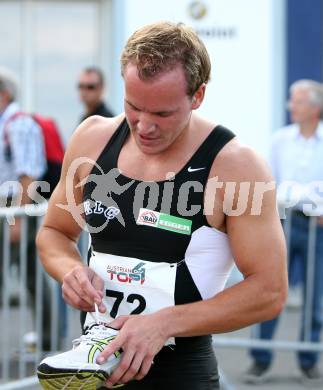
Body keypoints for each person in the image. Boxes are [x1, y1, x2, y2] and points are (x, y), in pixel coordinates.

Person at [36, 22, 287, 389]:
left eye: (163, 114)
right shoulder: (92, 137)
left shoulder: (236, 165)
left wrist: (164, 323)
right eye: (133, 107)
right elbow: (55, 233)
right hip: (94, 370)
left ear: (197, 96)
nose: (144, 126)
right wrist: (69, 269)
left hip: (179, 375)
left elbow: (269, 290)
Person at [246, 79, 323, 384]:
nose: (292, 106)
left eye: (299, 101)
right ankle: (260, 360)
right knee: (270, 291)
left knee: (316, 298)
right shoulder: (280, 140)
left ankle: (308, 361)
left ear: (315, 107)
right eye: (292, 100)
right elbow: (270, 181)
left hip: (318, 226)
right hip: (286, 224)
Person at [0, 67, 51, 349]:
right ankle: (45, 337)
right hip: (9, 208)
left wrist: (17, 218)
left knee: (31, 273)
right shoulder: (7, 122)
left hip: (15, 208)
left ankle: (46, 338)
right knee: (27, 271)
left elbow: (28, 174)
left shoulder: (18, 124)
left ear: (4, 94)